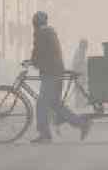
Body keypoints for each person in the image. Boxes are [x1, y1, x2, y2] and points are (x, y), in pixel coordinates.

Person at [28, 11, 92, 144]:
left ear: (35, 23)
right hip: (57, 72)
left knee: (42, 104)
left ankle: (45, 135)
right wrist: (35, 61)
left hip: (50, 73)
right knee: (55, 104)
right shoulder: (51, 33)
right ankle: (81, 124)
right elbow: (47, 53)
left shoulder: (41, 33)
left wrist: (32, 62)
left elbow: (38, 52)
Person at [70, 39, 89, 109]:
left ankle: (80, 105)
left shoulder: (80, 52)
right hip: (79, 74)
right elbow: (78, 63)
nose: (86, 47)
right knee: (80, 90)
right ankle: (78, 105)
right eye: (85, 45)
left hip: (80, 74)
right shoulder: (79, 52)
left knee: (80, 90)